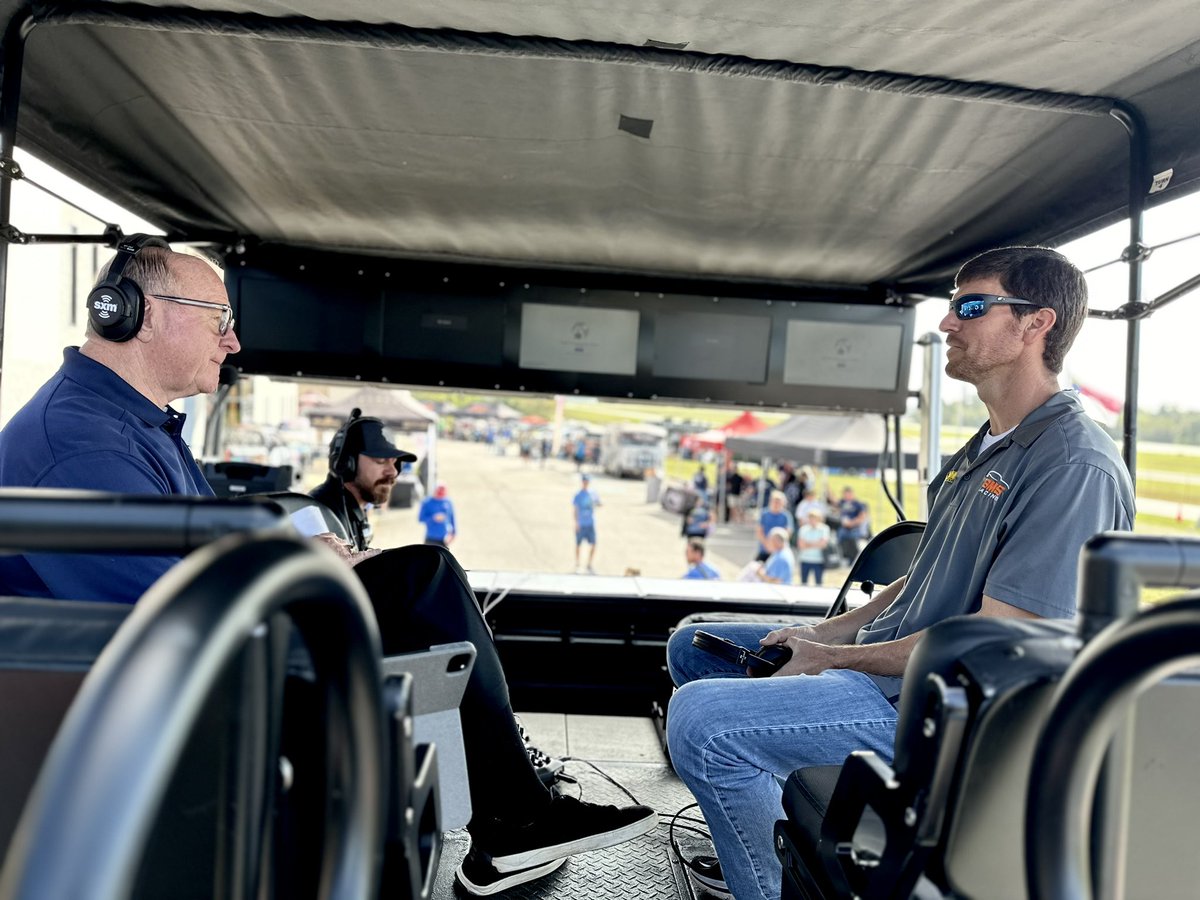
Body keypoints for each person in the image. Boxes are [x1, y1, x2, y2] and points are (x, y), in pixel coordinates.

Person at [0, 240, 656, 896]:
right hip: (156, 701)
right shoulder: (79, 445)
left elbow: (192, 559)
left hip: (198, 654)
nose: (231, 344)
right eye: (219, 320)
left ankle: (511, 809)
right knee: (421, 583)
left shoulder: (132, 425)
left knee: (418, 580)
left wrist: (309, 553)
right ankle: (514, 814)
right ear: (136, 314)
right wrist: (297, 563)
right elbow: (169, 622)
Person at [665, 246, 1135, 900]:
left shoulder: (1071, 466)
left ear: (1037, 324)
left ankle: (778, 888)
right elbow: (926, 571)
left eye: (972, 306)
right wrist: (833, 631)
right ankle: (768, 833)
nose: (948, 323)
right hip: (893, 670)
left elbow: (995, 641)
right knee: (692, 649)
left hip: (944, 712)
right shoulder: (992, 440)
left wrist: (834, 662)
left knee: (700, 722)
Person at [310, 410, 415, 552]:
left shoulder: (352, 509)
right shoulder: (320, 518)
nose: (393, 471)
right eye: (381, 461)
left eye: (394, 462)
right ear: (347, 464)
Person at [753, 490, 794, 562]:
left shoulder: (786, 516)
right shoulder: (764, 514)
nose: (776, 504)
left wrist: (776, 545)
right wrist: (768, 545)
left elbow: (788, 533)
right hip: (764, 549)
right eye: (775, 501)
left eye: (779, 502)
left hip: (779, 551)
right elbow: (759, 531)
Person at [572, 473, 601, 574]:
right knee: (578, 544)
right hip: (581, 523)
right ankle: (578, 563)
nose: (586, 483)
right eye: (584, 481)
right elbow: (575, 510)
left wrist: (598, 504)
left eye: (587, 481)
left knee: (593, 544)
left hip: (590, 522)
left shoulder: (593, 493)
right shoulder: (578, 495)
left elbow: (598, 502)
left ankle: (589, 563)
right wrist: (576, 523)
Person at [796, 508, 832, 585]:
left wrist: (807, 544)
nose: (812, 521)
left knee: (819, 583)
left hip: (819, 560)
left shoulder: (825, 528)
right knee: (803, 583)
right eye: (811, 518)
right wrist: (817, 543)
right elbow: (801, 545)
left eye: (815, 519)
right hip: (805, 559)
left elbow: (823, 544)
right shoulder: (803, 529)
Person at [835, 485, 870, 563]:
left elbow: (862, 517)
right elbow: (834, 501)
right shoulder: (842, 502)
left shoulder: (858, 504)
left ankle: (854, 560)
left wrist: (851, 523)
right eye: (845, 494)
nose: (847, 496)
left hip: (855, 528)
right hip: (843, 528)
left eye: (848, 494)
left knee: (853, 542)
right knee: (838, 538)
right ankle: (841, 557)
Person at [419, 483, 458, 548]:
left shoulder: (448, 502)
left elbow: (452, 518)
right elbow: (420, 518)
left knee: (443, 558)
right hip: (430, 538)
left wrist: (454, 533)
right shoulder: (426, 502)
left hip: (444, 539)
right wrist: (433, 518)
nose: (440, 497)